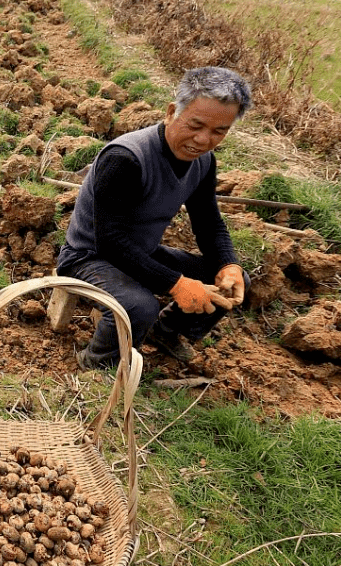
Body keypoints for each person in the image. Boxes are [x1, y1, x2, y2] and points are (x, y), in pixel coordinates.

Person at [56, 66, 252, 370]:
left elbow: (209, 222)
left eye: (218, 132)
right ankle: (97, 365)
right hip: (90, 256)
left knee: (229, 278)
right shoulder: (126, 159)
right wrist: (176, 284)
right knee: (137, 306)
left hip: (142, 251)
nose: (202, 140)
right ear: (173, 111)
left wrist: (228, 264)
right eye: (195, 125)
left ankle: (167, 332)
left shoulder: (203, 162)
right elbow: (110, 241)